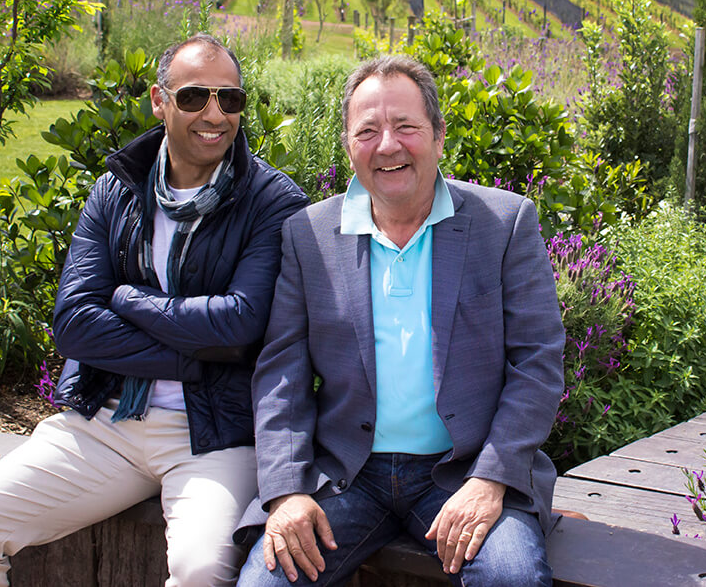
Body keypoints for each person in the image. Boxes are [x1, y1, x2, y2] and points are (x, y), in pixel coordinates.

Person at [0, 34, 309, 586]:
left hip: (213, 436)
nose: (214, 114)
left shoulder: (271, 200)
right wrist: (196, 356)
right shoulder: (115, 191)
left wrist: (129, 299)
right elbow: (75, 326)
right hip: (103, 422)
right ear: (159, 100)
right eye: (194, 97)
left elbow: (239, 322)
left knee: (203, 570)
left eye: (230, 100)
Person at [236, 55, 564, 587]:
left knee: (512, 579)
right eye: (368, 130)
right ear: (348, 145)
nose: (387, 145)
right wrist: (288, 490)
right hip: (346, 477)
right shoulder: (309, 236)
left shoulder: (504, 224)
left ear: (437, 135)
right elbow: (281, 376)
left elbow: (538, 364)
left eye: (406, 127)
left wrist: (491, 479)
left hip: (463, 473)